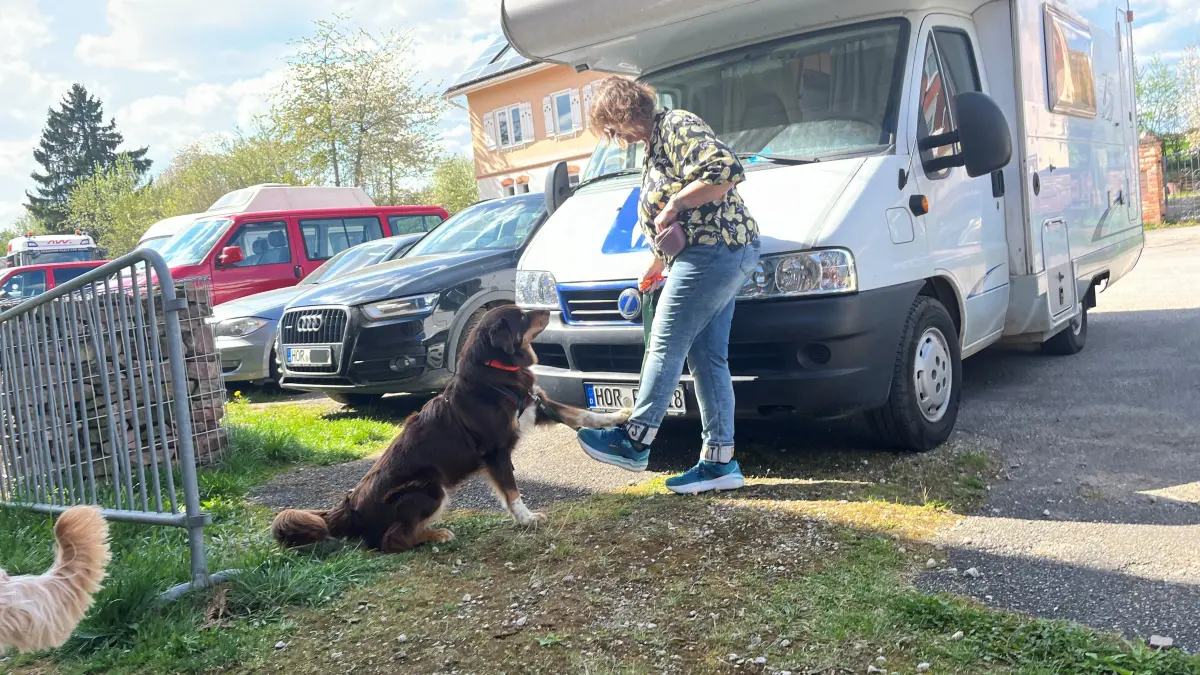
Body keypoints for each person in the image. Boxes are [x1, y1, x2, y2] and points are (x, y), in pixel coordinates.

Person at [577, 77, 761, 494]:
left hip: (715, 250)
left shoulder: (677, 126)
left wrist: (675, 204)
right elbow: (673, 224)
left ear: (623, 114)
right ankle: (720, 463)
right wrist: (656, 265)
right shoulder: (655, 145)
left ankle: (635, 440)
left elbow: (725, 171)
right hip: (718, 251)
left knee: (665, 341)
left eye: (610, 126)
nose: (613, 136)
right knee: (706, 356)